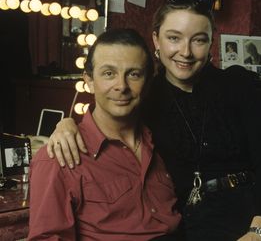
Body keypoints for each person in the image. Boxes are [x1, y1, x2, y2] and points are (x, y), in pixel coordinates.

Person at [47, 0, 261, 241]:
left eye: (199, 40)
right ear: (156, 40)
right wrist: (66, 123)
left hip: (259, 210)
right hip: (194, 222)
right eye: (174, 38)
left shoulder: (236, 84)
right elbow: (106, 121)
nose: (186, 52)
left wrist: (260, 227)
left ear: (211, 41)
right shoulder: (143, 96)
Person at [28, 28, 181, 240]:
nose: (121, 86)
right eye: (109, 73)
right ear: (89, 81)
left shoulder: (161, 140)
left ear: (147, 83)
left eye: (134, 74)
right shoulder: (57, 158)